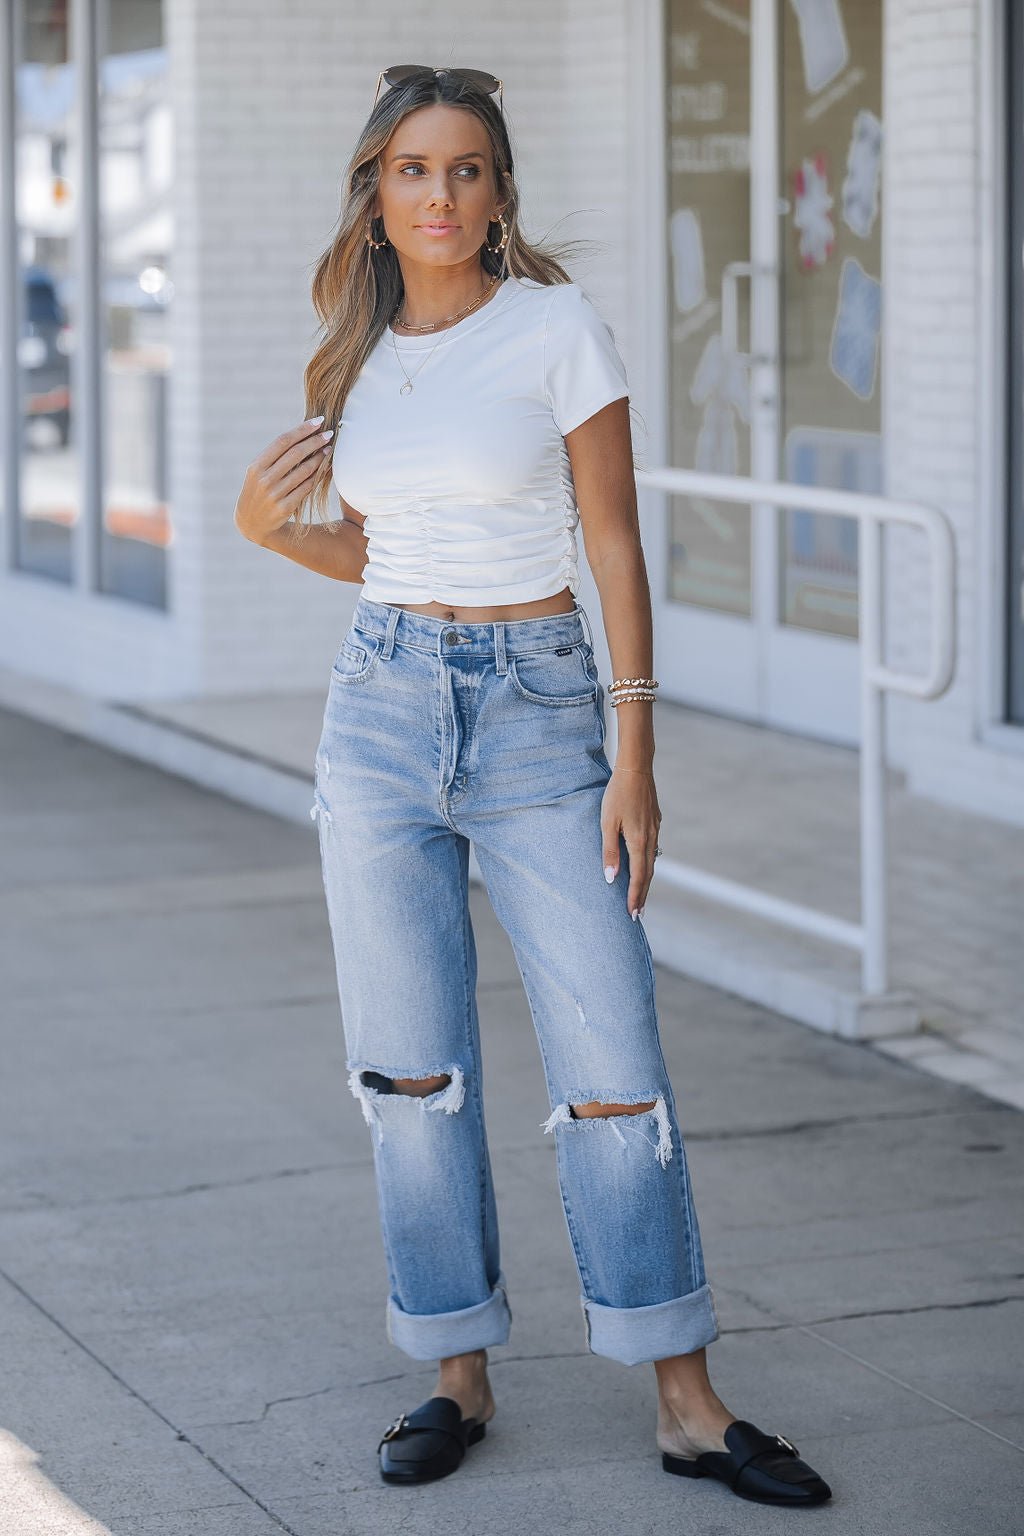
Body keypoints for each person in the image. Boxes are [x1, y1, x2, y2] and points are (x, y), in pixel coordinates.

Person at [233, 64, 832, 1508]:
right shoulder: (357, 355)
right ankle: (456, 1369)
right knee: (412, 1072)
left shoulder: (558, 329)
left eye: (469, 170)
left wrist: (636, 751)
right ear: (375, 195)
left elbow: (613, 545)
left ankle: (685, 1396)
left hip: (542, 710)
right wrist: (265, 531)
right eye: (414, 171)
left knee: (614, 1067)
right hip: (379, 714)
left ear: (500, 195)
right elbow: (383, 559)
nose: (441, 196)